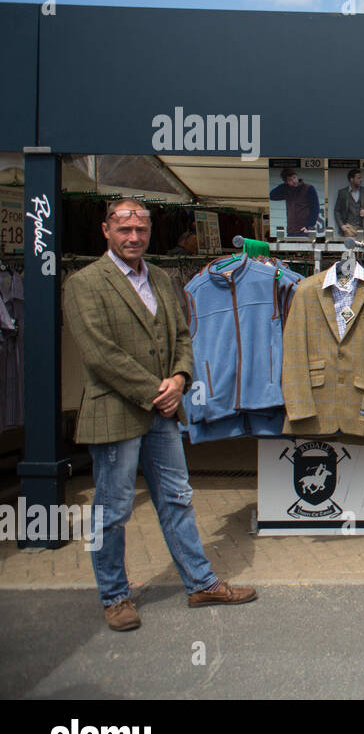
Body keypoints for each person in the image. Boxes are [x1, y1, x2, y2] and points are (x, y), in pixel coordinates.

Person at [63, 199, 257, 632]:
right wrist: (158, 390)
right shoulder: (85, 283)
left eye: (141, 230)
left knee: (177, 498)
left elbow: (183, 336)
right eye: (124, 229)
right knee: (111, 509)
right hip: (117, 412)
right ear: (106, 231)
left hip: (163, 412)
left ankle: (200, 582)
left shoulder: (163, 279)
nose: (133, 237)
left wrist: (182, 376)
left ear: (150, 233)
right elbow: (99, 354)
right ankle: (114, 596)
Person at [269, 166, 321, 236]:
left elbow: (315, 208)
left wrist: (309, 226)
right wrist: (284, 186)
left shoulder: (309, 188)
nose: (294, 181)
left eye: (294, 177)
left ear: (296, 176)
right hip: (291, 230)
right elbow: (272, 195)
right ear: (286, 182)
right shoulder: (287, 191)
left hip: (304, 230)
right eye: (290, 180)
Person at [333, 167, 364, 239]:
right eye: (358, 178)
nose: (361, 180)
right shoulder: (342, 193)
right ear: (351, 179)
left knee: (362, 249)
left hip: (362, 227)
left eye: (361, 178)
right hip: (349, 227)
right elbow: (337, 210)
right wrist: (341, 225)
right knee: (350, 248)